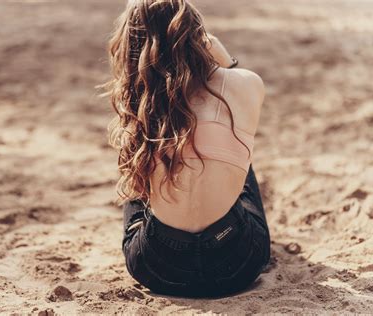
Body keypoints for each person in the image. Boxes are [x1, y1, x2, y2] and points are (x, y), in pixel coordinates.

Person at [104, 0, 270, 297]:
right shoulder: (245, 85)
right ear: (197, 37)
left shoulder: (139, 101)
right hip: (238, 263)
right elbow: (234, 79)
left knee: (138, 165)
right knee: (240, 154)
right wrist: (226, 61)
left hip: (158, 268)